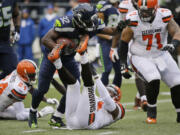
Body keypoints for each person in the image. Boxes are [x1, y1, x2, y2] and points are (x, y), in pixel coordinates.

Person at [28, 3, 128, 128]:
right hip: (51, 56)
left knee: (74, 85)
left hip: (69, 57)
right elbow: (45, 39)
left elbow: (112, 31)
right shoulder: (65, 24)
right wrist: (57, 48)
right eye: (89, 19)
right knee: (43, 88)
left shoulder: (93, 23)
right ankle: (32, 111)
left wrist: (119, 27)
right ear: (80, 20)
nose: (93, 21)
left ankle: (57, 116)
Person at [119, 0, 180, 123]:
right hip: (140, 56)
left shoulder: (164, 15)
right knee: (153, 78)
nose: (144, 14)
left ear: (155, 9)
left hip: (161, 53)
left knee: (177, 82)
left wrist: (174, 43)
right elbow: (124, 42)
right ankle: (151, 113)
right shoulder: (133, 19)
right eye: (142, 11)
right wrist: (123, 64)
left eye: (148, 11)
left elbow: (177, 31)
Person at [47, 42, 125, 129]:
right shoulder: (96, 99)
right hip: (72, 121)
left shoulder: (118, 109)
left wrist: (96, 77)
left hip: (89, 123)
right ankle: (57, 61)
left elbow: (107, 98)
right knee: (74, 85)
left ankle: (83, 54)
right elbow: (68, 94)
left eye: (111, 92)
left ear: (117, 97)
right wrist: (52, 80)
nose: (108, 91)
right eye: (108, 89)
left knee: (90, 86)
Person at [117, 0, 148, 111]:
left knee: (150, 72)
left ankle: (138, 97)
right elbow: (120, 27)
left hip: (150, 38)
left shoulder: (150, 3)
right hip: (133, 40)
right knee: (139, 69)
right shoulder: (125, 5)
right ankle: (144, 98)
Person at [96, 0, 122, 88]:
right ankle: (104, 95)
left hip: (117, 42)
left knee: (119, 70)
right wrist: (110, 37)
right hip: (105, 42)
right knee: (107, 69)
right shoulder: (102, 5)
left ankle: (116, 93)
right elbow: (97, 29)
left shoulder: (122, 6)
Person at [0, 0, 20, 79]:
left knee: (12, 70)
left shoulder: (10, 1)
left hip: (4, 42)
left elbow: (17, 14)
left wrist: (17, 29)